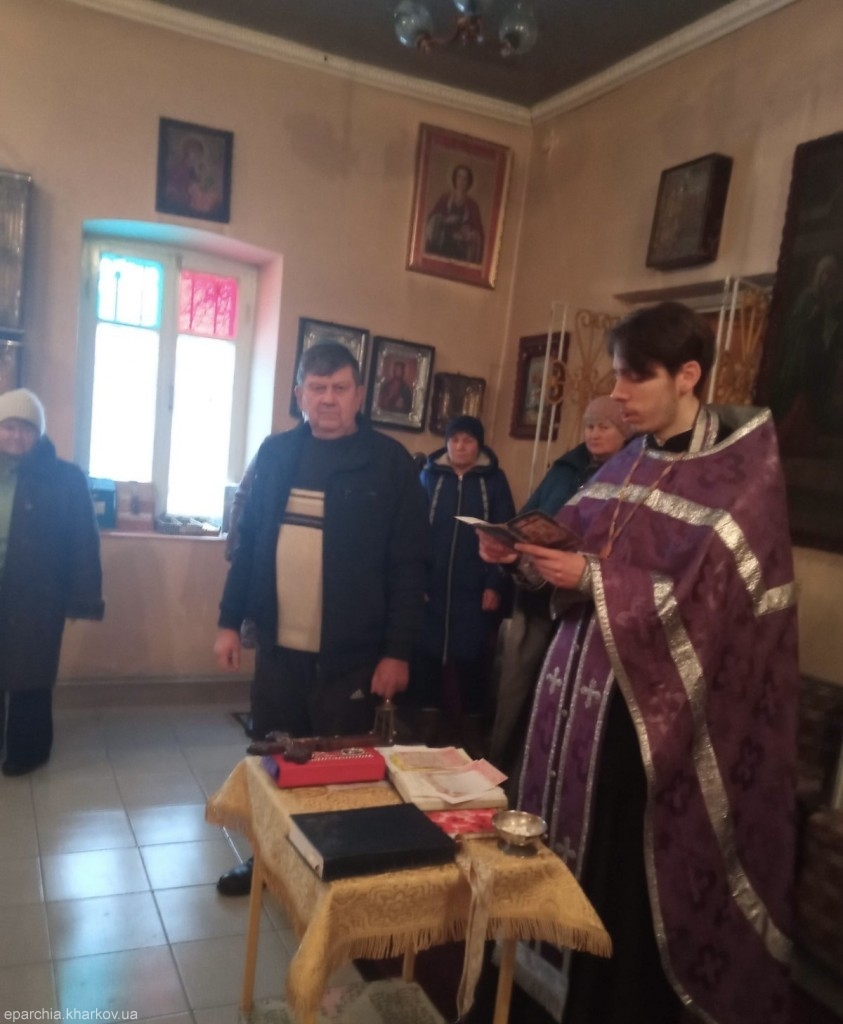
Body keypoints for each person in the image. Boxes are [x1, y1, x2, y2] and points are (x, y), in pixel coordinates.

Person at [478, 302, 798, 1024]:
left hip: (646, 718)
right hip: (572, 696)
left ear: (687, 375)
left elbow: (711, 606)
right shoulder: (630, 459)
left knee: (613, 867)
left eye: (634, 377)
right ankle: (527, 994)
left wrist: (593, 579)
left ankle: (596, 1006)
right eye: (617, 375)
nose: (616, 394)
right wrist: (518, 553)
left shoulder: (740, 477)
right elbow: (570, 545)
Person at [214, 341, 428, 894]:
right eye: (317, 388)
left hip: (353, 658)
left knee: (340, 770)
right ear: (299, 395)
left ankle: (330, 867)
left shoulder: (390, 463)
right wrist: (228, 621)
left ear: (359, 395)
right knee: (273, 760)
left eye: (339, 388)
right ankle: (264, 859)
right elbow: (250, 544)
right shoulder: (276, 453)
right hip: (280, 654)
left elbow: (409, 567)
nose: (328, 399)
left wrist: (398, 651)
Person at [487, 395, 632, 780]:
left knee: (556, 709)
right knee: (516, 697)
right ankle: (502, 777)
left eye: (604, 427)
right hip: (533, 596)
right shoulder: (566, 469)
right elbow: (529, 514)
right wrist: (507, 543)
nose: (594, 434)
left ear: (625, 432)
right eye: (589, 426)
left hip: (578, 613)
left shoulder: (632, 477)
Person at [0, 388, 104, 776]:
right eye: (8, 426)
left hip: (39, 593)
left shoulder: (66, 478)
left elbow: (83, 541)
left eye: (26, 428)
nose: (16, 436)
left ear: (39, 433)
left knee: (30, 673)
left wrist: (83, 598)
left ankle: (27, 751)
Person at [415, 415, 514, 755]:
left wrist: (495, 584)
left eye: (468, 440)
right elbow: (414, 532)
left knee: (472, 655)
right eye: (454, 439)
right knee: (428, 652)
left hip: (474, 584)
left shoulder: (494, 481)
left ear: (479, 445)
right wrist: (418, 579)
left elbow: (504, 536)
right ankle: (428, 718)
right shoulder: (429, 476)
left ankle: (471, 724)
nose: (460, 446)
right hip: (434, 582)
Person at [425, 164, 485, 264]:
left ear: (468, 182)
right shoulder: (444, 199)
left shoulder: (473, 205)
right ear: (455, 179)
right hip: (442, 243)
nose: (461, 181)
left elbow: (478, 232)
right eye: (459, 177)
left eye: (465, 179)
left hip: (461, 249)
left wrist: (470, 235)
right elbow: (432, 220)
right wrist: (445, 221)